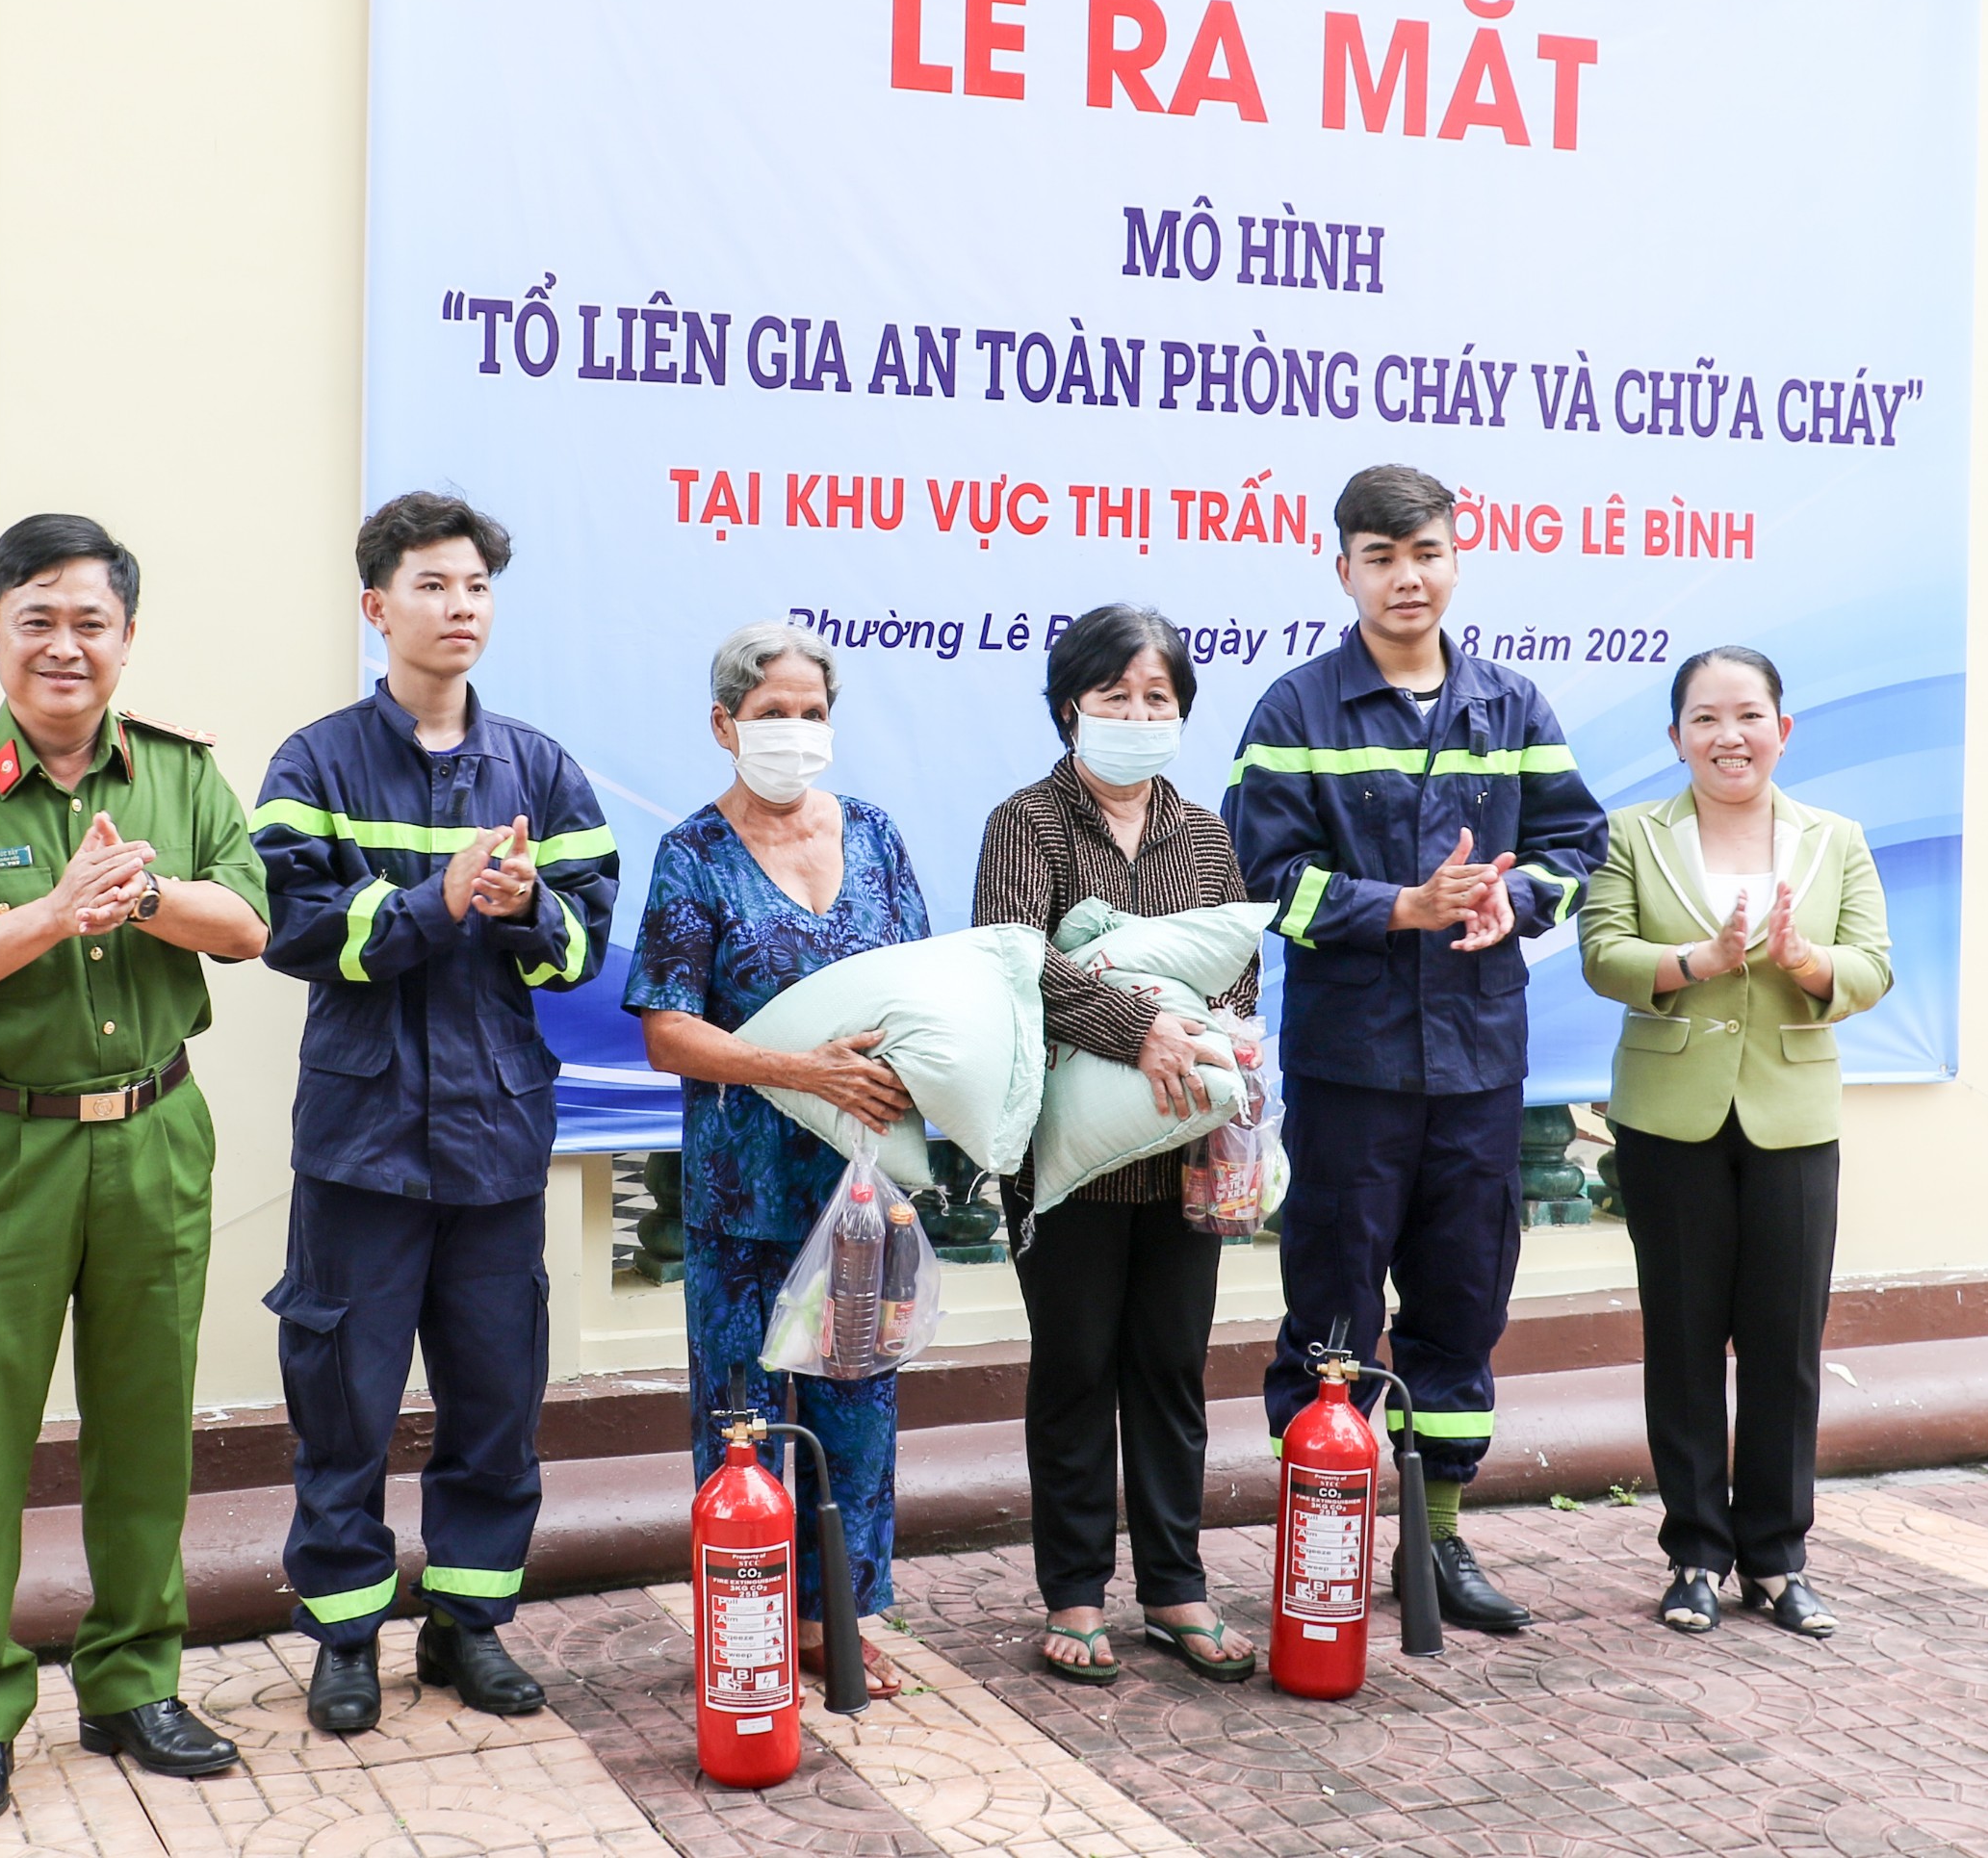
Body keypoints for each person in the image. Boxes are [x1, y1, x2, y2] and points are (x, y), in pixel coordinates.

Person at [0, 515, 271, 1827]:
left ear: (126, 639)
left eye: (90, 620)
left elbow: (248, 923)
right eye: (35, 617)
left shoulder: (180, 775)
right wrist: (47, 914)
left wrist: (138, 895)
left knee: (146, 1424)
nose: (64, 644)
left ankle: (132, 1682)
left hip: (155, 1134)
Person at [251, 492, 618, 1734]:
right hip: (360, 1147)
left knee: (495, 1398)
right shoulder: (313, 762)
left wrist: (522, 911)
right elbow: (296, 934)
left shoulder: (542, 769)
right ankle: (345, 1634)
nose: (458, 607)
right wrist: (438, 899)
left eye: (474, 587)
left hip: (498, 1142)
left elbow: (583, 953)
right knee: (342, 1401)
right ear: (376, 607)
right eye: (431, 586)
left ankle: (469, 1627)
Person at [1223, 464, 1607, 1633]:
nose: (1407, 576)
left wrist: (1512, 906)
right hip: (1352, 1069)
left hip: (1481, 1065)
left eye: (1426, 552)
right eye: (1381, 557)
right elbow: (1258, 881)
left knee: (1461, 1304)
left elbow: (1574, 844)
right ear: (1342, 569)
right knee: (1331, 1305)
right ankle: (1325, 1542)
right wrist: (1400, 908)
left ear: (1456, 557)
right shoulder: (1295, 709)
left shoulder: (1512, 706)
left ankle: (1438, 1544)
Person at [625, 620, 929, 1700]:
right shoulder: (693, 854)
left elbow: (924, 995)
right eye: (771, 716)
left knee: (857, 1408)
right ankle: (746, 1615)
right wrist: (802, 1070)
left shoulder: (880, 836)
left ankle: (837, 1619)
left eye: (811, 714)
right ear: (725, 726)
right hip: (742, 1194)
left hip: (860, 1190)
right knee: (743, 1416)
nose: (794, 734)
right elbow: (668, 1032)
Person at [972, 605, 1261, 1686]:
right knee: (1077, 1367)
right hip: (1066, 1157)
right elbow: (1013, 962)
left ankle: (1176, 1591)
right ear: (1069, 707)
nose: (1138, 717)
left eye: (1159, 700)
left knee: (1172, 1369)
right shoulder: (1027, 824)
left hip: (1185, 1143)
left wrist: (1203, 1027)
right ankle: (1076, 1593)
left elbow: (1238, 964)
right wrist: (1137, 1025)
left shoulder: (1204, 834)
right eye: (1116, 697)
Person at [1579, 647, 1891, 1639]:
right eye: (1704, 719)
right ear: (1675, 737)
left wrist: (1806, 963)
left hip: (1791, 1119)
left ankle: (1777, 1557)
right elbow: (1600, 952)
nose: (1728, 736)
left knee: (1783, 1345)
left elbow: (1873, 965)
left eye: (1747, 715)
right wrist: (1693, 959)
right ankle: (1694, 1556)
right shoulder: (1631, 834)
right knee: (1680, 1341)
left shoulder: (1832, 838)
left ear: (1782, 730)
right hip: (1669, 1117)